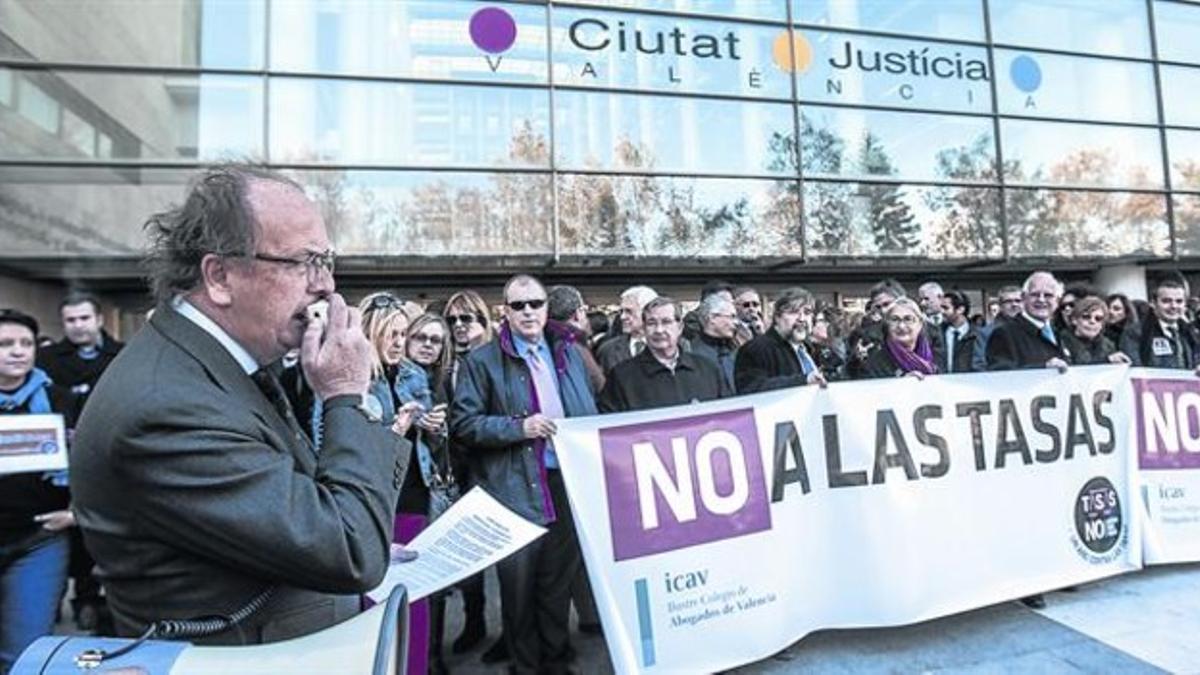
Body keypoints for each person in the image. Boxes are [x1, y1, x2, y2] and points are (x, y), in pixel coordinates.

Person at [70, 165, 411, 644]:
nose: (326, 286)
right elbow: (349, 548)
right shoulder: (165, 408)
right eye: (304, 262)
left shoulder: (215, 365)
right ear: (220, 276)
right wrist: (345, 397)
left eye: (327, 261)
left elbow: (291, 509)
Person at [450, 274, 597, 675]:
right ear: (506, 311)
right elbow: (463, 424)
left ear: (547, 307)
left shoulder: (568, 351)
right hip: (513, 486)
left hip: (566, 483)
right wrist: (519, 428)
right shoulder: (481, 361)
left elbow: (590, 410)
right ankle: (525, 666)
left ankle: (555, 660)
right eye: (519, 305)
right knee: (517, 589)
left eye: (535, 303)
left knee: (556, 583)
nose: (528, 311)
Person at [35, 291, 123, 631]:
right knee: (58, 527)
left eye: (84, 318)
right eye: (70, 320)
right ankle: (50, 599)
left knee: (93, 528)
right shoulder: (48, 360)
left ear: (99, 319)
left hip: (105, 456)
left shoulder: (122, 357)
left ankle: (89, 598)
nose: (77, 326)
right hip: (57, 460)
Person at [0, 309, 80, 674]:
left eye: (26, 343)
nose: (18, 351)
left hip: (38, 542)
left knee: (27, 655)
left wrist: (76, 512)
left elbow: (96, 464)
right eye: (5, 344)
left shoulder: (62, 399)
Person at [394, 312, 454, 675]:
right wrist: (415, 421)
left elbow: (440, 446)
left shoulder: (439, 379)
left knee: (432, 577)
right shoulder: (397, 375)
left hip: (429, 487)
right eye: (421, 338)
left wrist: (435, 431)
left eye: (436, 340)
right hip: (402, 491)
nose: (428, 345)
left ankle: (430, 655)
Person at [440, 290, 495, 658]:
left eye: (467, 318)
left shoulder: (496, 360)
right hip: (452, 473)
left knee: (504, 560)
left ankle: (510, 633)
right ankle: (474, 622)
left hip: (491, 467)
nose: (460, 326)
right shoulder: (444, 365)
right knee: (465, 556)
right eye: (452, 320)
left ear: (482, 321)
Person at [599, 297, 730, 413]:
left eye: (666, 322)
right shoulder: (622, 377)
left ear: (680, 327)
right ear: (644, 329)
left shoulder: (708, 370)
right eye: (651, 323)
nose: (659, 330)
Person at [734, 287, 836, 393]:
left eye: (807, 312)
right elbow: (752, 388)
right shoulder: (756, 349)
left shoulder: (812, 350)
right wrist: (803, 381)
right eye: (793, 312)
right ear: (777, 317)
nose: (801, 319)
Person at [985, 272, 1071, 374]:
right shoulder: (1004, 334)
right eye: (1035, 294)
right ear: (1024, 298)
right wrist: (1043, 369)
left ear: (1057, 301)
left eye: (1048, 295)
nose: (1041, 300)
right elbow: (1000, 375)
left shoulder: (1061, 332)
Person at [1121, 277, 1200, 373]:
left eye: (1179, 301)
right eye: (1166, 301)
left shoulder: (1191, 332)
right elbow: (1134, 370)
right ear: (1153, 303)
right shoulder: (1136, 333)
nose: (1174, 306)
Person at [859, 298, 940, 380]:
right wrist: (900, 385)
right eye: (895, 320)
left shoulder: (937, 352)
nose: (901, 326)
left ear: (920, 324)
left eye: (908, 319)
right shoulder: (874, 364)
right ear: (887, 325)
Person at [548, 285, 605, 394]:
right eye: (584, 310)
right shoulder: (576, 347)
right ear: (577, 314)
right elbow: (600, 388)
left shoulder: (539, 344)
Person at [596, 285, 657, 373]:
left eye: (629, 311)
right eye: (622, 311)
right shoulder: (608, 351)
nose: (622, 317)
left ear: (649, 312)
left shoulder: (677, 347)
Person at [1060, 296, 1130, 366]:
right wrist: (1107, 360)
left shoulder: (1108, 345)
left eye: (1098, 319)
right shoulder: (1061, 342)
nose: (1092, 321)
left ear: (1102, 325)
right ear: (1074, 320)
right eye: (1086, 317)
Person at [689, 294, 739, 392]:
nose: (736, 322)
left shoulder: (735, 350)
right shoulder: (693, 354)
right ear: (712, 318)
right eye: (731, 317)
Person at [972, 285, 1022, 372]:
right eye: (1008, 301)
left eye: (1018, 301)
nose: (1014, 304)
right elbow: (978, 364)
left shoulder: (1032, 329)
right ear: (1000, 305)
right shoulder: (986, 332)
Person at [941, 290, 981, 374]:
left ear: (960, 309)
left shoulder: (978, 335)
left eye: (946, 308)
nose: (942, 312)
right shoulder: (938, 333)